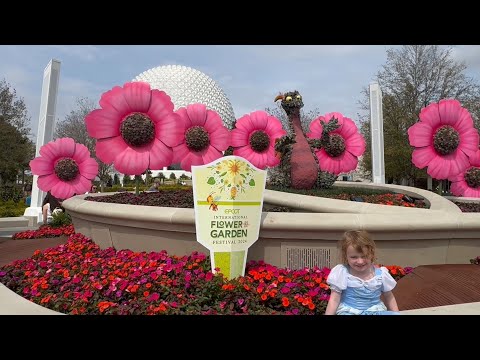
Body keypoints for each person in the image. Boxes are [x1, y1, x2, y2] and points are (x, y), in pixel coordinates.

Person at [325, 230, 400, 315]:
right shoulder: (343, 273)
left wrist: (396, 313)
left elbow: (389, 297)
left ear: (371, 254)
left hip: (375, 311)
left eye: (364, 256)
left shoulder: (380, 275)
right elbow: (334, 299)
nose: (360, 261)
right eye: (354, 257)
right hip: (350, 311)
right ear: (346, 256)